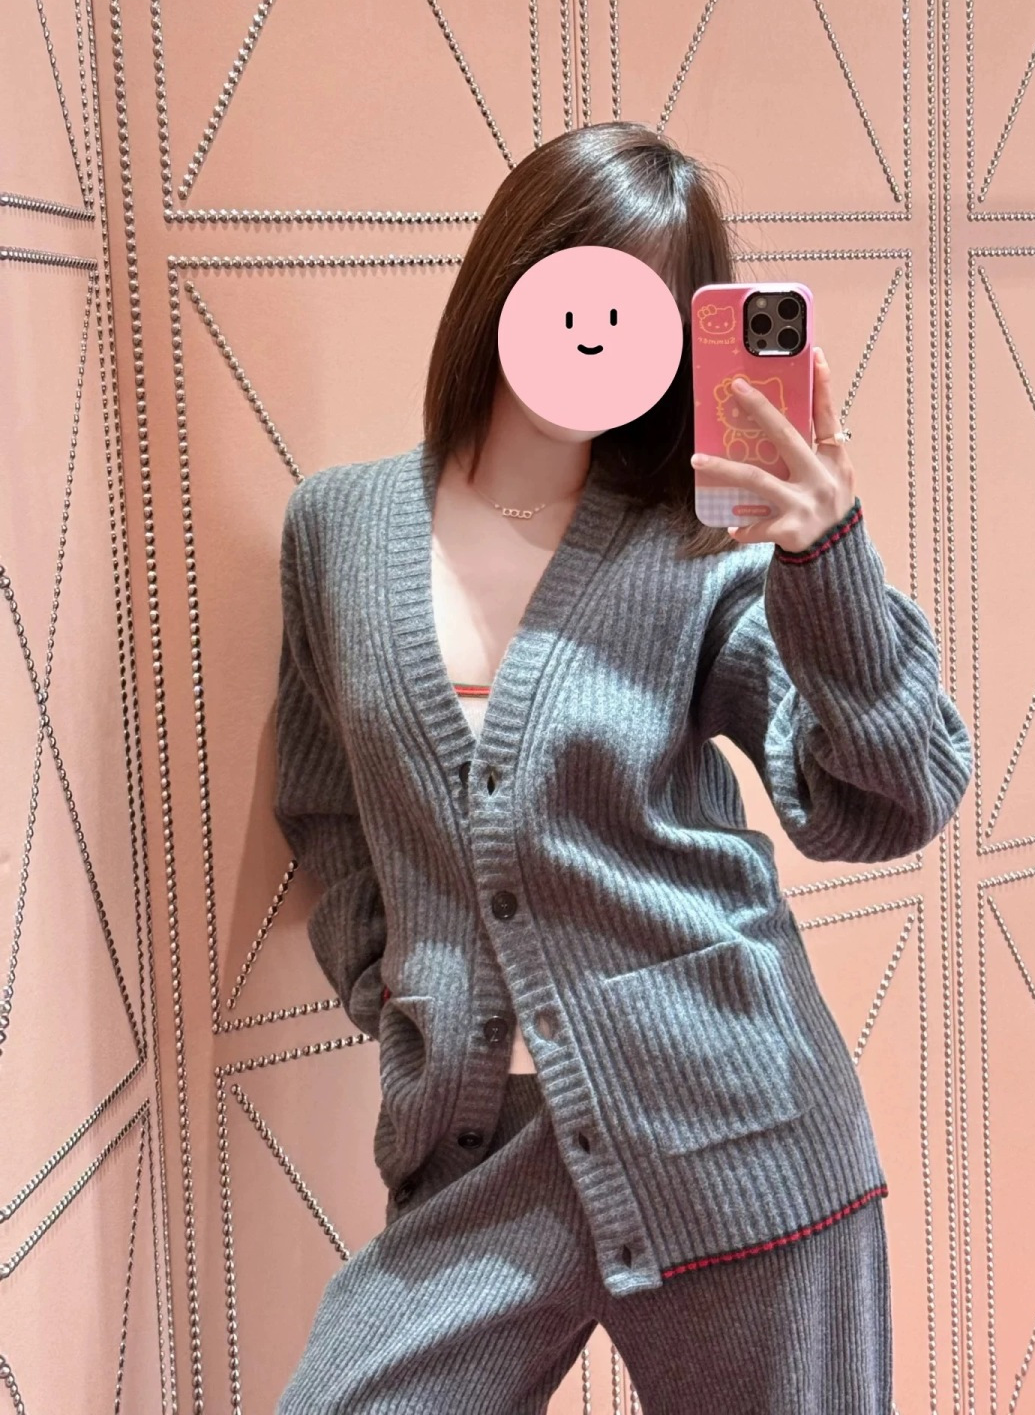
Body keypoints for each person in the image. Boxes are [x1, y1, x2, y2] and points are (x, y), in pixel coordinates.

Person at [273, 121, 972, 1413]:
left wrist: (826, 560)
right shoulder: (340, 527)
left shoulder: (699, 553)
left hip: (736, 1133)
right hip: (477, 1155)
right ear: (506, 280)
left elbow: (889, 797)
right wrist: (399, 992)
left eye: (641, 313)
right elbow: (326, 806)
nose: (594, 338)